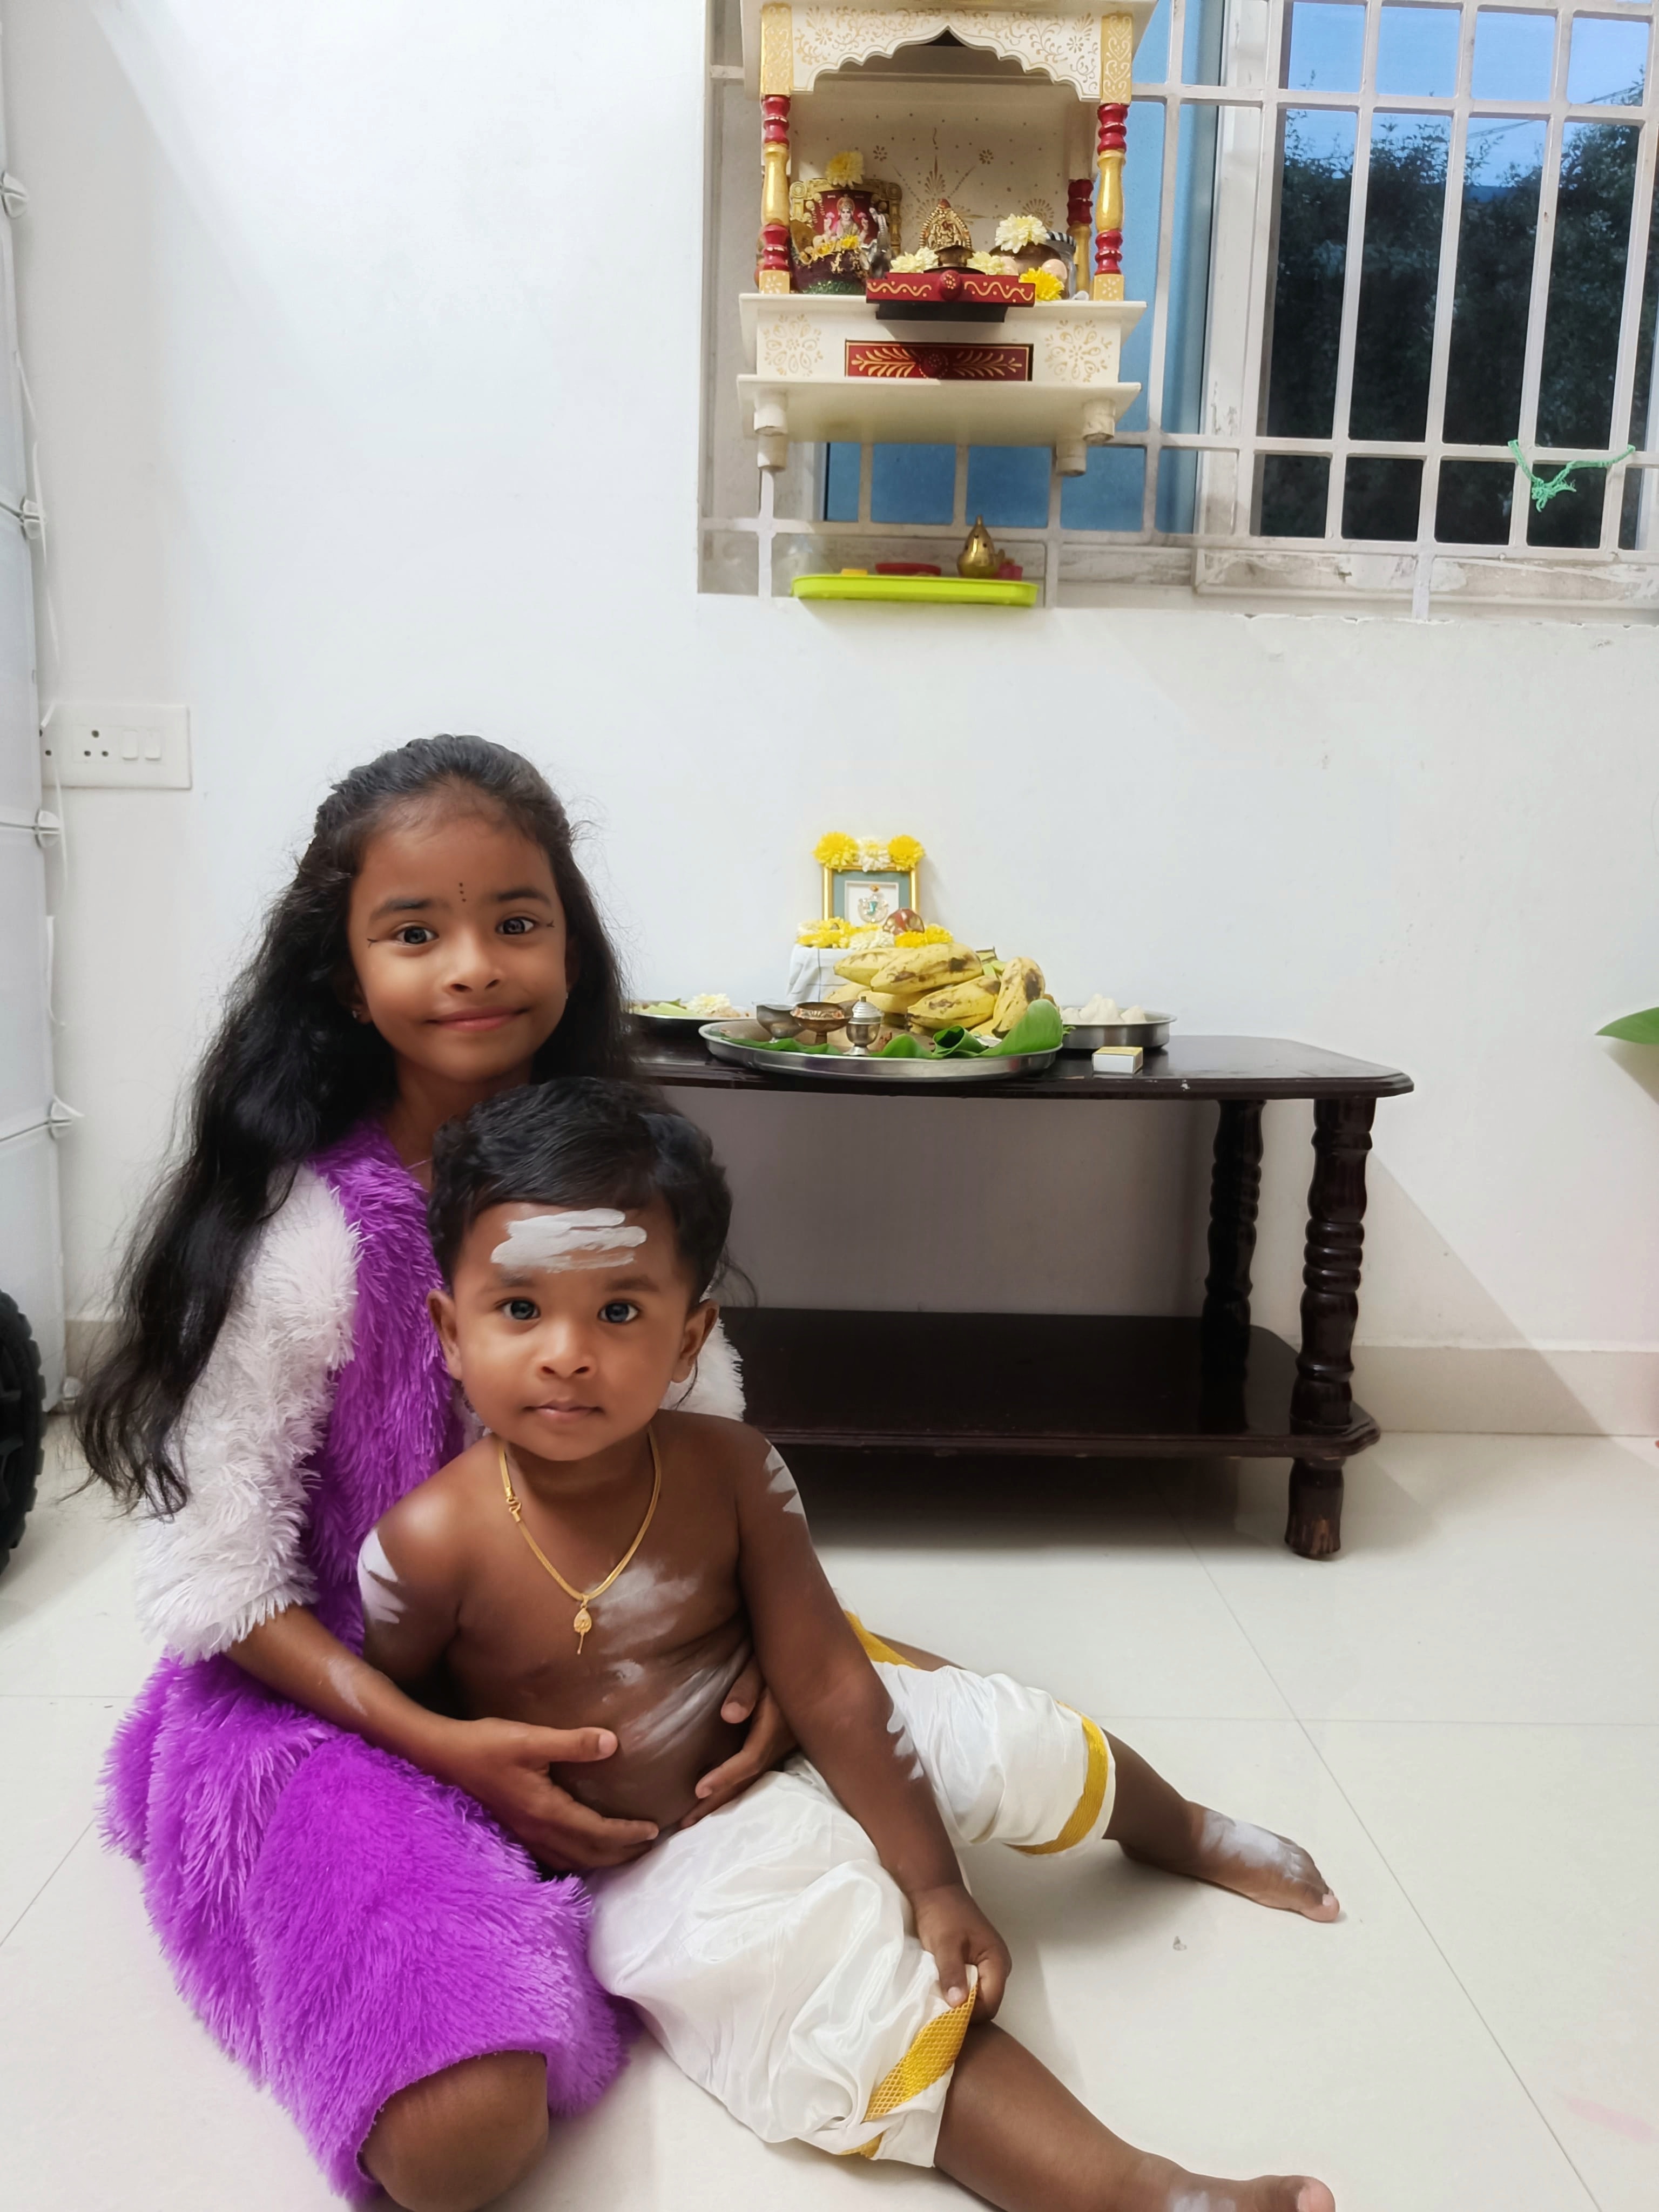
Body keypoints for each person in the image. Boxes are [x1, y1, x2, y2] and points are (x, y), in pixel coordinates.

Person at [82, 733, 1337, 2212]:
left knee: (929, 1708)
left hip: (641, 1647)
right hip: (351, 1688)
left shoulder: (626, 1176)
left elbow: (707, 1457)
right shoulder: (304, 1243)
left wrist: (761, 1660)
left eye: (517, 919)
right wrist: (443, 1746)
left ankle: (1177, 1841)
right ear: (343, 972)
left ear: (569, 940)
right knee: (456, 2139)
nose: (474, 965)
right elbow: (218, 1579)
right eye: (415, 932)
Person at [363, 1078, 1338, 2212]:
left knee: (1015, 1739)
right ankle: (1145, 2192)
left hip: (805, 1737)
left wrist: (934, 1882)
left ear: (689, 1340)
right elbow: (404, 1730)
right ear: (451, 1332)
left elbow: (828, 1679)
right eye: (522, 1309)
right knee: (846, 2009)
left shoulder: (733, 1470)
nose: (568, 1354)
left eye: (619, 1311)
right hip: (661, 1853)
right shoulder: (427, 1544)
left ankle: (1184, 1826)